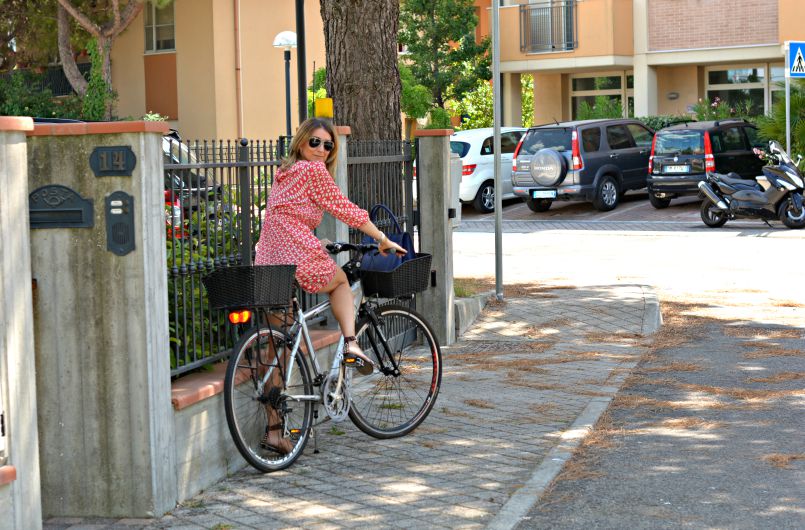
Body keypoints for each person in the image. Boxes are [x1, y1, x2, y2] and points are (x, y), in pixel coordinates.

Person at [255, 118, 406, 452]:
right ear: (301, 142)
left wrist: (315, 240)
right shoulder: (312, 172)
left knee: (277, 349)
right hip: (293, 247)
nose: (321, 150)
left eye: (328, 146)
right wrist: (382, 239)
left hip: (268, 253)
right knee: (339, 284)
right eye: (315, 143)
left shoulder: (285, 171)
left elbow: (286, 215)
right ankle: (352, 344)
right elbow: (346, 210)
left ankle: (275, 433)